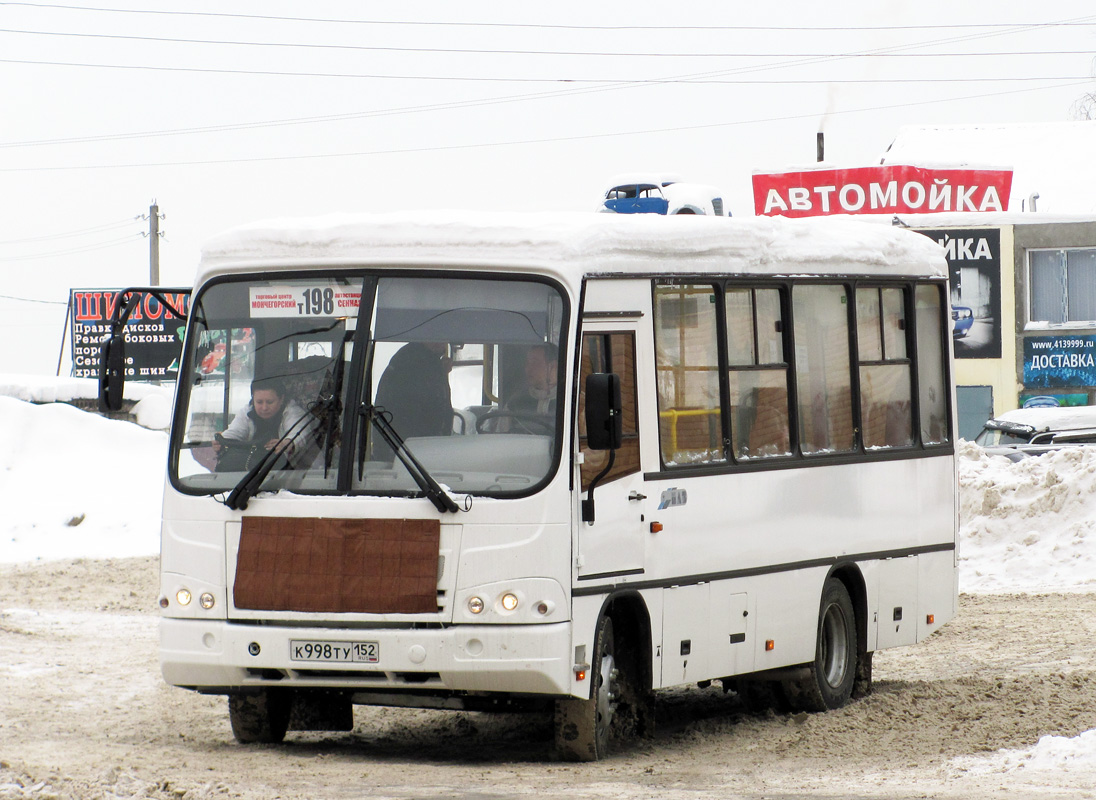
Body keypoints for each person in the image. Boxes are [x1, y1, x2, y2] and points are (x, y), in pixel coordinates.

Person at [372, 341, 452, 459]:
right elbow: (430, 409)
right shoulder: (416, 362)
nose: (444, 344)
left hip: (400, 446)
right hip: (412, 450)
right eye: (440, 338)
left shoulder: (412, 359)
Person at [212, 378, 309, 470]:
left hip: (294, 473)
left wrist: (286, 444)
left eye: (270, 402)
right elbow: (235, 432)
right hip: (252, 476)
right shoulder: (246, 412)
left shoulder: (293, 412)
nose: (264, 407)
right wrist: (221, 441)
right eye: (259, 402)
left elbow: (299, 434)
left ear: (281, 399)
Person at [499, 343, 559, 433]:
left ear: (553, 367)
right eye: (527, 363)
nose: (528, 369)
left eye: (535, 363)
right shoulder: (514, 404)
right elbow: (501, 440)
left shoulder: (572, 400)